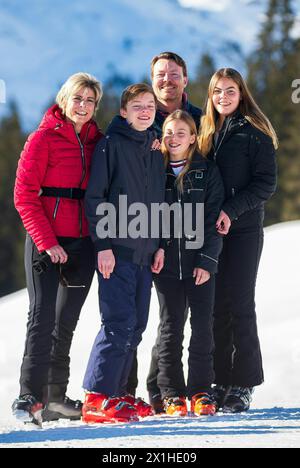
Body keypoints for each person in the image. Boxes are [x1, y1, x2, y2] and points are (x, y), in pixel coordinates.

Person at [13, 72, 103, 424]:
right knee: (42, 317)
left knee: (66, 323)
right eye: (77, 98)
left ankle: (55, 399)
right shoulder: (42, 139)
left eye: (90, 100)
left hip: (83, 245)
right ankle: (29, 398)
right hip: (45, 241)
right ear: (64, 99)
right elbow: (24, 196)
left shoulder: (99, 141)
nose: (82, 106)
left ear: (96, 106)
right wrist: (47, 242)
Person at [81, 83, 166, 424]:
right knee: (117, 323)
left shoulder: (153, 148)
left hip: (145, 252)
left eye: (149, 106)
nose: (144, 111)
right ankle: (95, 398)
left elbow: (159, 202)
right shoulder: (110, 145)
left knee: (137, 326)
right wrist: (102, 246)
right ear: (124, 112)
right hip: (116, 250)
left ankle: (119, 396)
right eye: (137, 107)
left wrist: (159, 243)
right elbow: (95, 198)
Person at [198, 67, 278, 413]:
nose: (223, 98)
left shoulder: (254, 132)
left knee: (240, 303)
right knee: (216, 305)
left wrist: (231, 210)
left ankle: (243, 383)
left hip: (243, 230)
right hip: (213, 232)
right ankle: (220, 381)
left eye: (230, 91)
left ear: (241, 93)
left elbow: (265, 184)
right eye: (218, 91)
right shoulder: (206, 130)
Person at [127, 52, 202, 412]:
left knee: (174, 315)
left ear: (185, 79)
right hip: (141, 231)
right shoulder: (138, 118)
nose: (167, 80)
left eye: (174, 74)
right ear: (151, 78)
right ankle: (128, 391)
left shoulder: (202, 120)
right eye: (161, 74)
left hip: (190, 237)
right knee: (137, 315)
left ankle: (162, 388)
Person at [153, 110, 224, 416]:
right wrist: (155, 249)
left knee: (203, 328)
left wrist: (207, 261)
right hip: (166, 265)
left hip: (199, 264)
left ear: (194, 137)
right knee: (170, 329)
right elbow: (148, 215)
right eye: (169, 132)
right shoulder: (155, 170)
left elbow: (214, 221)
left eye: (182, 133)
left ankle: (200, 391)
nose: (175, 138)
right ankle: (171, 394)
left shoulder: (206, 171)